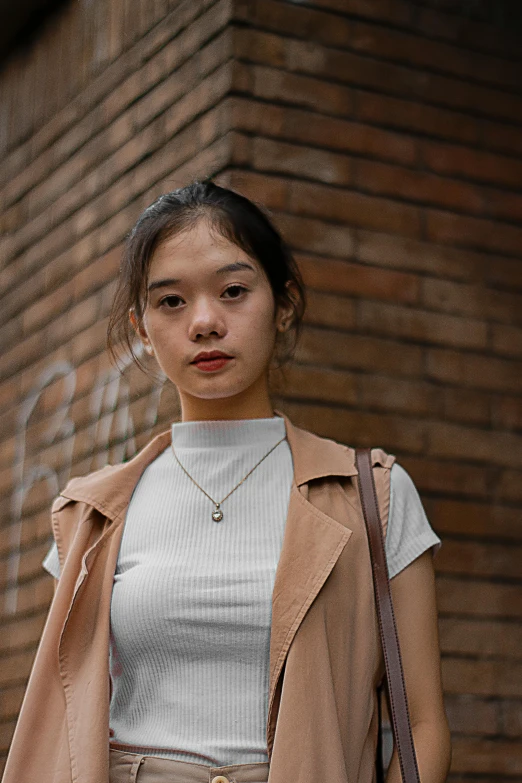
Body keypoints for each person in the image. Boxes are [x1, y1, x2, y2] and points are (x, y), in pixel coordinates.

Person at [4, 180, 451, 783]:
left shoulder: (373, 494)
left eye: (233, 291)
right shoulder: (92, 514)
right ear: (142, 328)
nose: (205, 323)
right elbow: (63, 721)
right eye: (171, 302)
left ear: (283, 304)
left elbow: (422, 722)